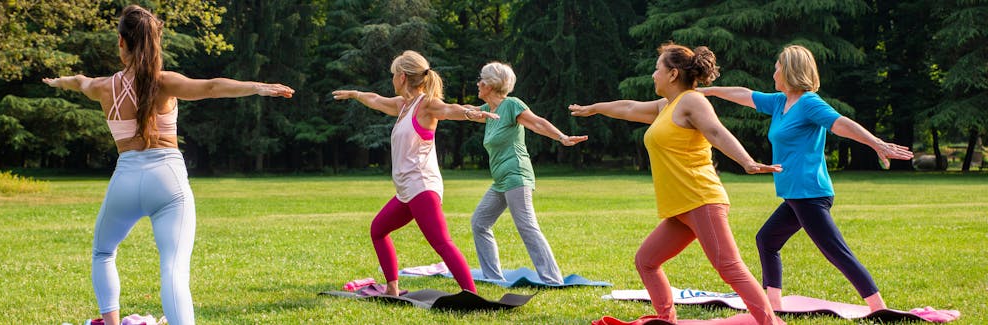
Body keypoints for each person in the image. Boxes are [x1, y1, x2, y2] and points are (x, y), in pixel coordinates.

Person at [42, 5, 294, 325]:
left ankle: (112, 322)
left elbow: (79, 81)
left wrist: (57, 82)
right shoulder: (165, 81)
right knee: (173, 269)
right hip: (168, 181)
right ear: (154, 41)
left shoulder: (104, 87)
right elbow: (212, 87)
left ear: (122, 42)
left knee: (103, 253)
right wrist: (258, 87)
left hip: (126, 180)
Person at [569, 43, 784, 325]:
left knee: (729, 267)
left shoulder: (692, 101)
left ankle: (770, 322)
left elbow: (716, 132)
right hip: (681, 208)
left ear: (672, 74)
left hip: (701, 199)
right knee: (646, 260)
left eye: (657, 69)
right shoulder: (665, 106)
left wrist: (746, 161)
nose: (653, 75)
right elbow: (629, 107)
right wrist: (593, 109)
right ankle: (666, 320)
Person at [698, 44, 913, 312]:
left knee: (835, 251)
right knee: (767, 240)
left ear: (789, 70)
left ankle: (879, 308)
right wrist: (706, 91)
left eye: (777, 66)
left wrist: (876, 143)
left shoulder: (809, 103)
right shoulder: (780, 102)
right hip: (795, 195)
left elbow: (841, 123)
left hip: (810, 193)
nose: (773, 72)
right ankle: (774, 304)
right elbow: (744, 94)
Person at [331, 50, 498, 296]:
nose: (391, 79)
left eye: (392, 75)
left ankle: (471, 295)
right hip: (406, 191)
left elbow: (449, 109)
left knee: (442, 242)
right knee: (378, 230)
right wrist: (355, 94)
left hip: (422, 187)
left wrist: (469, 112)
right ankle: (392, 288)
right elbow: (376, 99)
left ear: (401, 76)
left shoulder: (425, 104)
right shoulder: (402, 105)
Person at [466, 62, 586, 285]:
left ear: (490, 85)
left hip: (516, 175)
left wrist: (562, 137)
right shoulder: (487, 111)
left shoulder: (511, 105)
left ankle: (552, 279)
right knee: (479, 222)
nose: (477, 84)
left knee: (526, 225)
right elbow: (460, 110)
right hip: (501, 180)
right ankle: (493, 277)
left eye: (481, 80)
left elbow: (537, 123)